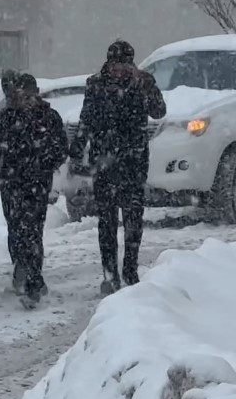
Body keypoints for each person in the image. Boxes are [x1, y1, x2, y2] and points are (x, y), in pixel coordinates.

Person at [68, 40, 166, 295]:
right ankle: (109, 273)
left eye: (125, 65)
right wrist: (78, 149)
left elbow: (159, 111)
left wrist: (146, 86)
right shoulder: (96, 84)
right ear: (109, 63)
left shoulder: (142, 83)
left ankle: (130, 270)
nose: (120, 70)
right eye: (116, 64)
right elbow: (86, 118)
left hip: (134, 160)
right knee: (107, 221)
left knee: (133, 219)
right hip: (104, 161)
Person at [0, 73, 68, 309]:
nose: (24, 99)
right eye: (20, 94)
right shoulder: (4, 116)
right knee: (16, 228)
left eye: (28, 94)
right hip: (12, 181)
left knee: (33, 229)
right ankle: (21, 267)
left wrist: (44, 164)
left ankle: (33, 279)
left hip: (37, 182)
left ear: (36, 93)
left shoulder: (48, 116)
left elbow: (60, 147)